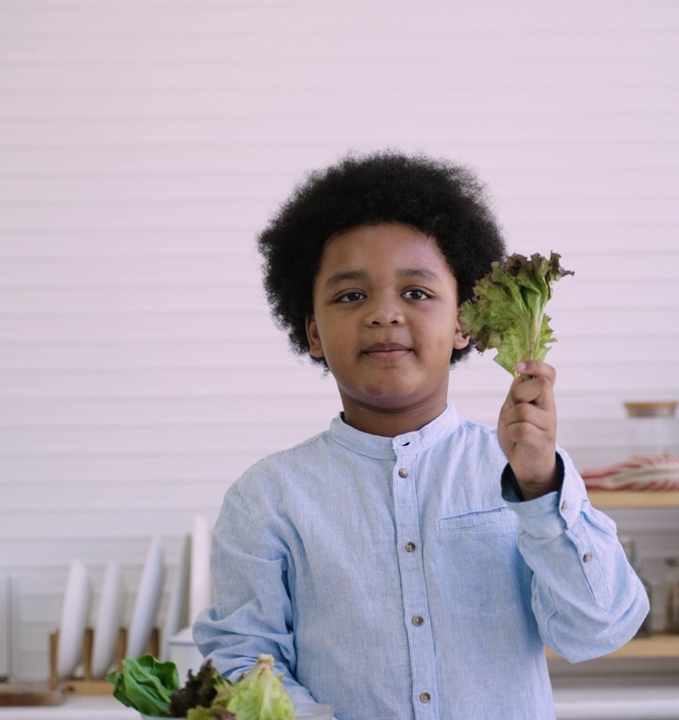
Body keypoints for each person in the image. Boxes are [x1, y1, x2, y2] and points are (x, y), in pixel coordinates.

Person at [192, 151, 648, 720]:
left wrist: (538, 487)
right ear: (312, 331)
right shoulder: (266, 498)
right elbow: (245, 660)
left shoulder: (528, 472)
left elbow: (600, 629)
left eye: (416, 293)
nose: (384, 314)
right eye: (350, 296)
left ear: (463, 323)